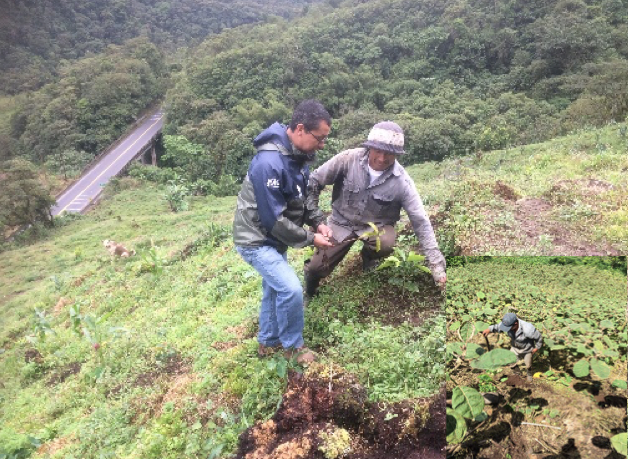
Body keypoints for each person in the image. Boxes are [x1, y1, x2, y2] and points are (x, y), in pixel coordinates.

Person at [233, 99, 334, 364]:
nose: (322, 145)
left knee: (273, 289)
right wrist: (312, 239)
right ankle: (293, 348)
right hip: (256, 239)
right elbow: (273, 220)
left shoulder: (297, 157)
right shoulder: (269, 163)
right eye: (319, 138)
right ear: (300, 129)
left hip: (274, 239)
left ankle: (267, 342)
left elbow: (303, 195)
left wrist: (317, 221)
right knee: (290, 289)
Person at [303, 121, 446, 298]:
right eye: (378, 151)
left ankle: (370, 258)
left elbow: (420, 221)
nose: (382, 158)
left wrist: (437, 265)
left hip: (375, 227)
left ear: (397, 155)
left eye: (390, 154)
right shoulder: (348, 159)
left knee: (385, 242)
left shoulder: (402, 182)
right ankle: (310, 291)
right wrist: (316, 219)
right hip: (340, 223)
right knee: (316, 267)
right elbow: (314, 181)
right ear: (369, 147)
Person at [482, 312, 543, 381]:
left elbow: (538, 338)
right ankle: (518, 374)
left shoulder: (528, 329)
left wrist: (537, 347)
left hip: (527, 349)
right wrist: (489, 329)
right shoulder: (508, 324)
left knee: (528, 365)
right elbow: (498, 326)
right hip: (515, 347)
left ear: (515, 324)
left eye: (508, 327)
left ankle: (529, 374)